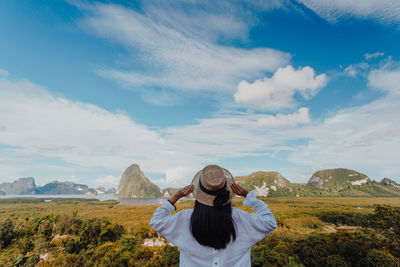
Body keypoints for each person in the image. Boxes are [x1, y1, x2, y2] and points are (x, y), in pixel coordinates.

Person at [150, 165, 277, 267]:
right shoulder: (241, 219)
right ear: (227, 193)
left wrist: (175, 197)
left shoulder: (185, 219)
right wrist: (250, 196)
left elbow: (156, 221)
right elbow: (270, 222)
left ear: (199, 193)